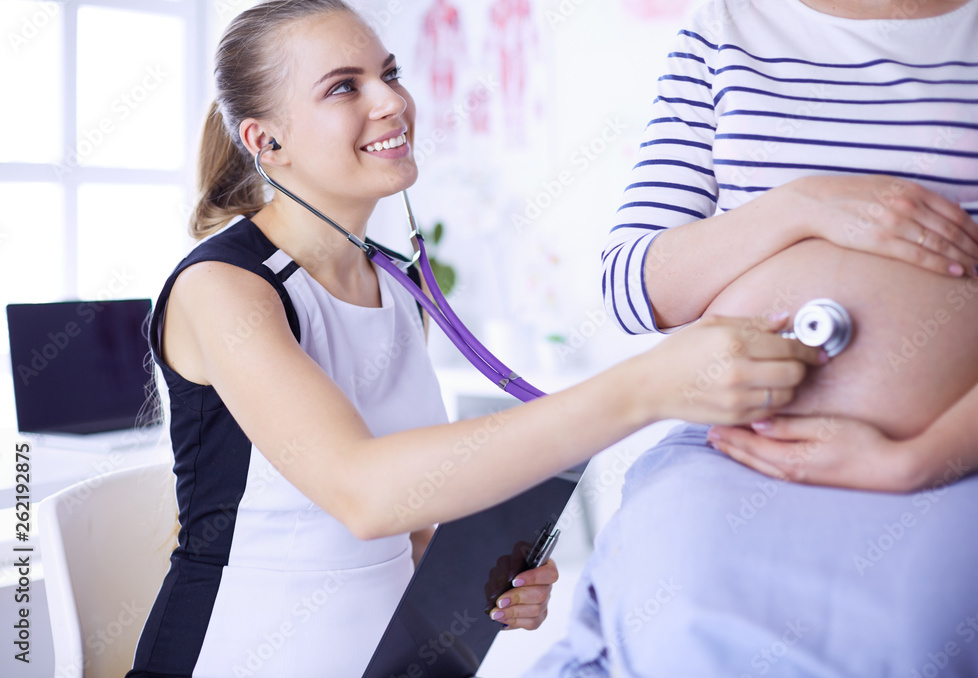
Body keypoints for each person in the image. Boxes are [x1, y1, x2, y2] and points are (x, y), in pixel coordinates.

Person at [124, 2, 824, 676]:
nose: (393, 102)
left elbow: (412, 523)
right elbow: (364, 493)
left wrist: (480, 576)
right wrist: (648, 385)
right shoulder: (226, 289)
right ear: (264, 140)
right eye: (344, 87)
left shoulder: (396, 286)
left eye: (390, 73)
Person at [529, 0, 978, 675]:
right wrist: (803, 205)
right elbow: (631, 287)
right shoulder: (725, 26)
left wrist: (918, 461)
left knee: (925, 643)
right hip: (737, 448)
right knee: (679, 624)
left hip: (962, 454)